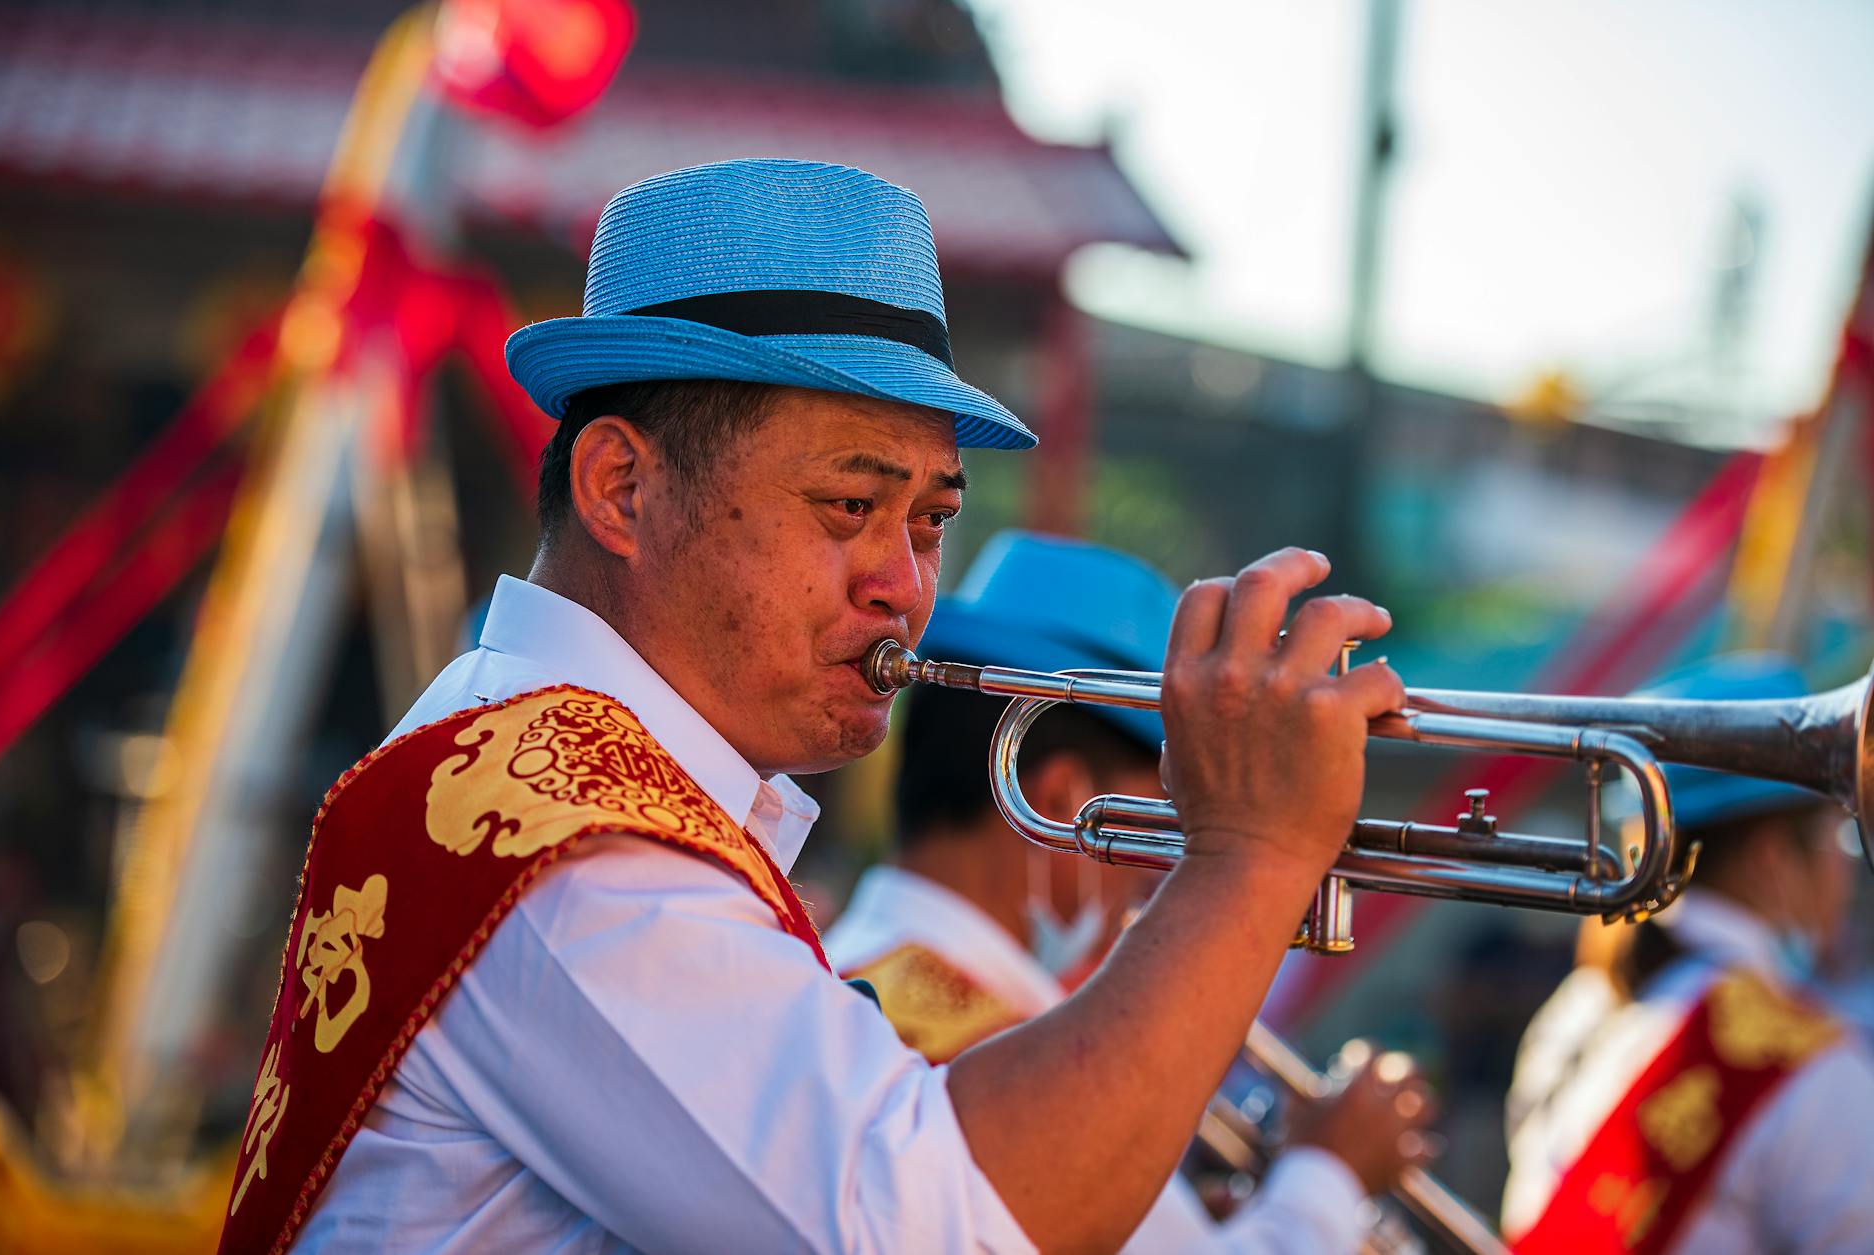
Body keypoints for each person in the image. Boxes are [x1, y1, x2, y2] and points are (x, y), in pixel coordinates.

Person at [217, 158, 1406, 1254]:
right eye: (848, 504)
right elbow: (940, 1223)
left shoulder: (523, 761)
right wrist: (1249, 858)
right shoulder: (564, 832)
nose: (905, 584)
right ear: (621, 489)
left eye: (929, 521)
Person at [824, 529, 1436, 1254]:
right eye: (1159, 828)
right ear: (1059, 799)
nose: (1151, 882)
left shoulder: (837, 978)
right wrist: (1328, 1173)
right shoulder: (1007, 1046)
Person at [1501, 654, 1874, 1254]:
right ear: (1771, 859)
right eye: (1837, 833)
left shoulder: (1577, 1011)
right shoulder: (1814, 1071)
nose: (1846, 868)